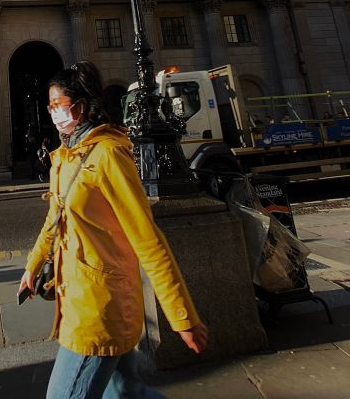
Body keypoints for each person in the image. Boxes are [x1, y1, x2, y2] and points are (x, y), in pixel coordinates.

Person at [18, 61, 208, 399]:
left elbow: (148, 240)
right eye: (50, 107)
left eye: (58, 106)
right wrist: (33, 265)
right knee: (125, 394)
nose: (53, 114)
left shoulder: (108, 155)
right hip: (77, 297)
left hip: (99, 308)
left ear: (80, 105)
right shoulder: (64, 155)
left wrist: (181, 315)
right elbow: (55, 218)